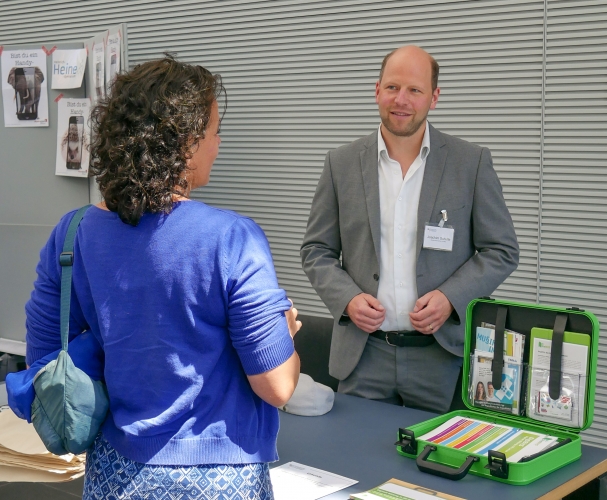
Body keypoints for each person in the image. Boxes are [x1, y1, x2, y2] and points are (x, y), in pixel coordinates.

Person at [24, 55, 300, 500]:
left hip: (114, 476)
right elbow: (278, 386)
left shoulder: (71, 234)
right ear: (186, 143)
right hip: (218, 479)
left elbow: (44, 359)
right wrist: (283, 334)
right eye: (214, 132)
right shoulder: (232, 238)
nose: (219, 144)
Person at [300, 45, 519, 414]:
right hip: (364, 354)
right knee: (357, 449)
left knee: (434, 451)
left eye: (415, 90)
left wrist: (450, 298)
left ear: (434, 97)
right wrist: (348, 299)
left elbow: (502, 250)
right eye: (392, 87)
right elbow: (316, 250)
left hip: (440, 358)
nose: (401, 100)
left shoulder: (470, 163)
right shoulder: (341, 163)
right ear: (377, 91)